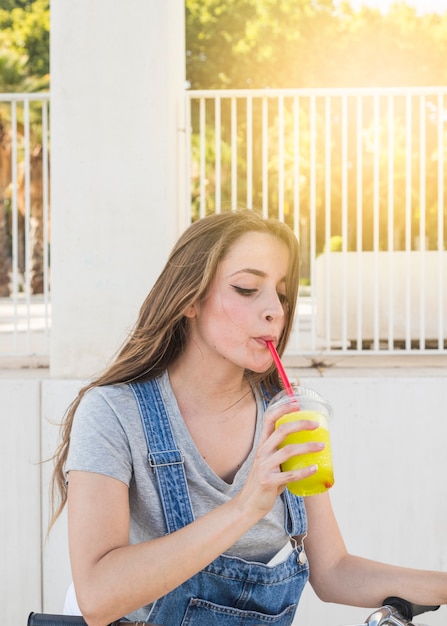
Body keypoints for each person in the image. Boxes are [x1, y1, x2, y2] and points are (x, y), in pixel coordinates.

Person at [51, 209, 447, 626]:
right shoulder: (113, 413)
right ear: (189, 298)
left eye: (281, 293)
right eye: (246, 288)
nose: (275, 310)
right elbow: (96, 597)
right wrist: (245, 506)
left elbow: (332, 571)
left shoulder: (287, 413)